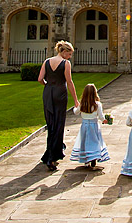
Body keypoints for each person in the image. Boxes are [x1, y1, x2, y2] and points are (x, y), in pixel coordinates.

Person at [38, 40, 79, 171]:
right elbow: (69, 82)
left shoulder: (47, 61)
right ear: (64, 51)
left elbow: (40, 79)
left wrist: (48, 85)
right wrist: (76, 100)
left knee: (50, 124)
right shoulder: (65, 63)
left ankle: (49, 153)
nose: (70, 57)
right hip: (60, 92)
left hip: (48, 92)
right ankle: (53, 157)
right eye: (69, 54)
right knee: (58, 123)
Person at [71, 83, 111, 169]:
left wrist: (75, 107)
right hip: (94, 125)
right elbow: (101, 116)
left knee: (85, 141)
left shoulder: (82, 103)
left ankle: (86, 159)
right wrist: (105, 120)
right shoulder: (97, 104)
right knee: (95, 141)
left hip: (84, 125)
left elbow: (76, 112)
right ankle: (94, 158)